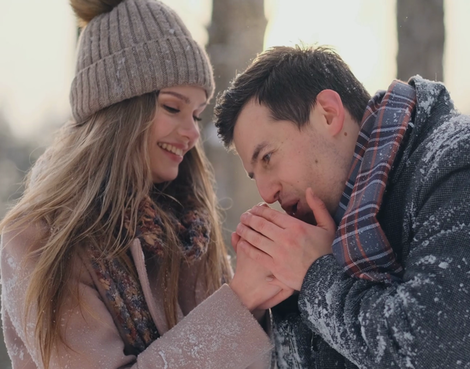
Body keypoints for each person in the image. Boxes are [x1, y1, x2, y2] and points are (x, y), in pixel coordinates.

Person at [213, 45, 470, 368]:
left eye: (267, 158)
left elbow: (427, 348)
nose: (265, 192)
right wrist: (256, 304)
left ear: (328, 113)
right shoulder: (322, 237)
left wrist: (316, 276)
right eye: (253, 175)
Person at [0, 0, 291, 368]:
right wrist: (237, 302)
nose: (190, 133)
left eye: (197, 114)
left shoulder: (191, 231)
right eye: (172, 108)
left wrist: (278, 282)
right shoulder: (41, 238)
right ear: (117, 111)